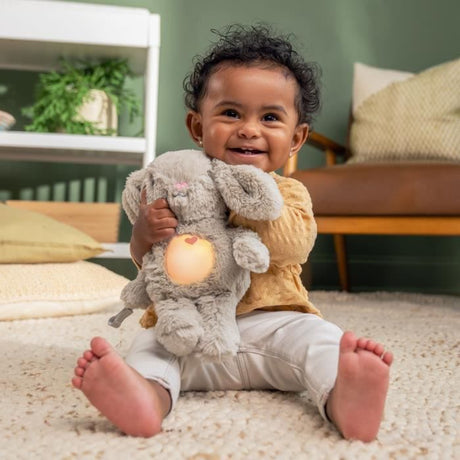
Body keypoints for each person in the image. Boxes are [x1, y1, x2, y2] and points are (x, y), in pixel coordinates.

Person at [72, 24, 393, 442]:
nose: (249, 129)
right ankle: (145, 399)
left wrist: (244, 202)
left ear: (296, 138)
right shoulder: (179, 188)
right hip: (189, 332)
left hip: (273, 328)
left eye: (270, 118)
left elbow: (293, 245)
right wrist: (143, 234)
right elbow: (152, 265)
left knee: (321, 339)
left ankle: (345, 399)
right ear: (197, 126)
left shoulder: (288, 192)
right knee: (149, 347)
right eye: (231, 113)